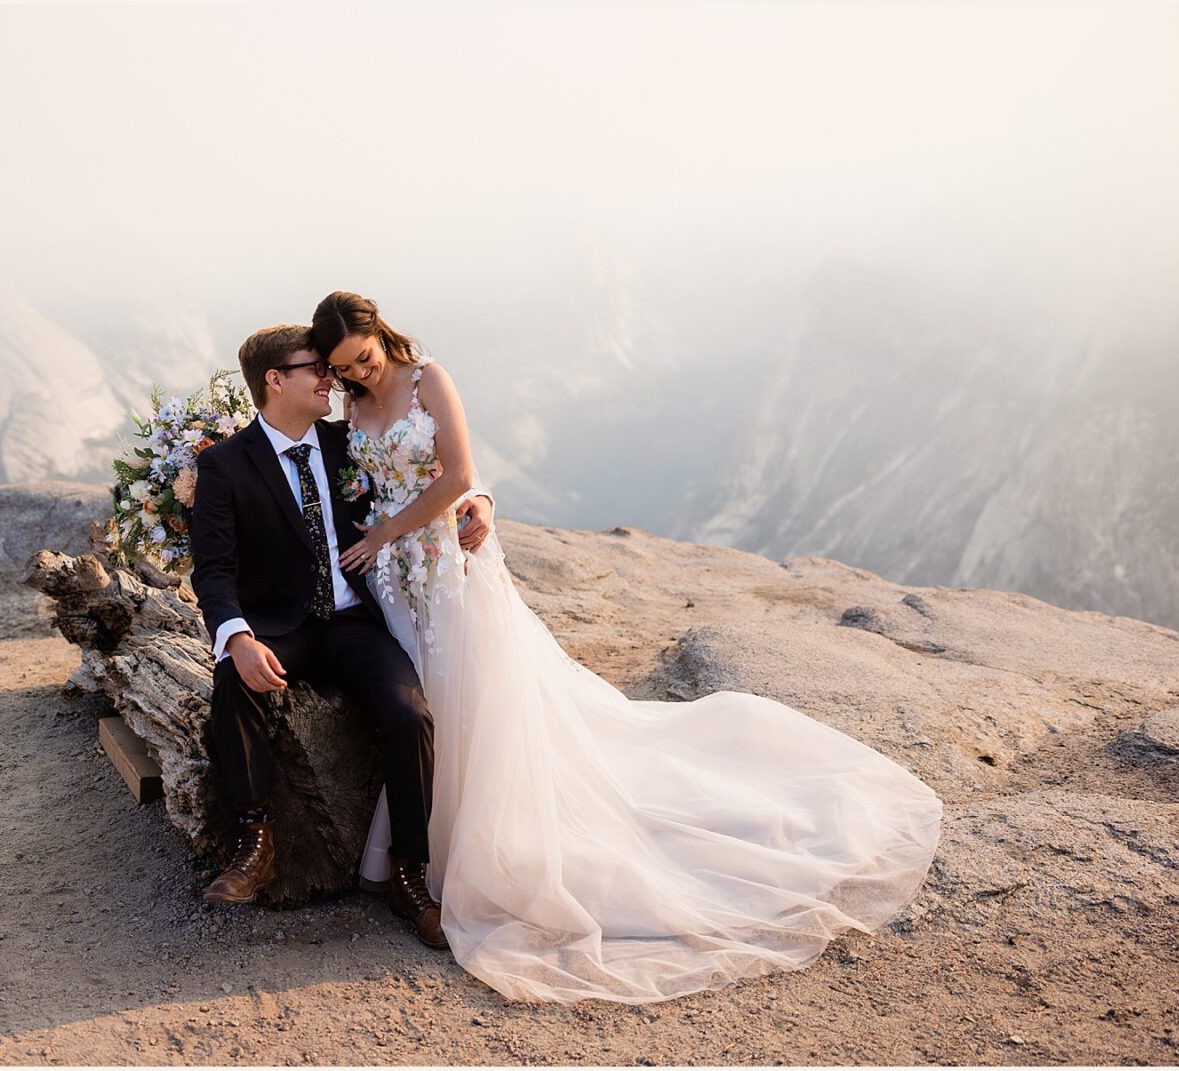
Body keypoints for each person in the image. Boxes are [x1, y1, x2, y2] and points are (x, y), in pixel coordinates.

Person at [312, 291, 944, 1004]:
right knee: (433, 699)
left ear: (379, 332)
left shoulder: (429, 378)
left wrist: (433, 518)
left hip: (448, 569)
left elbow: (459, 474)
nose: (359, 375)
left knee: (469, 698)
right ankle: (429, 851)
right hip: (400, 584)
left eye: (362, 358)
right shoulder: (352, 409)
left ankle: (469, 854)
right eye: (343, 370)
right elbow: (362, 485)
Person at [186, 323, 494, 949]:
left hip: (356, 618)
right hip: (281, 625)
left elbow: (428, 468)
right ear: (276, 381)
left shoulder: (344, 440)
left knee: (410, 715)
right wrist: (238, 636)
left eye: (334, 369)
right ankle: (255, 842)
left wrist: (479, 496)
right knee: (231, 679)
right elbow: (212, 571)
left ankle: (410, 875)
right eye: (316, 370)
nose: (333, 378)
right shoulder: (222, 465)